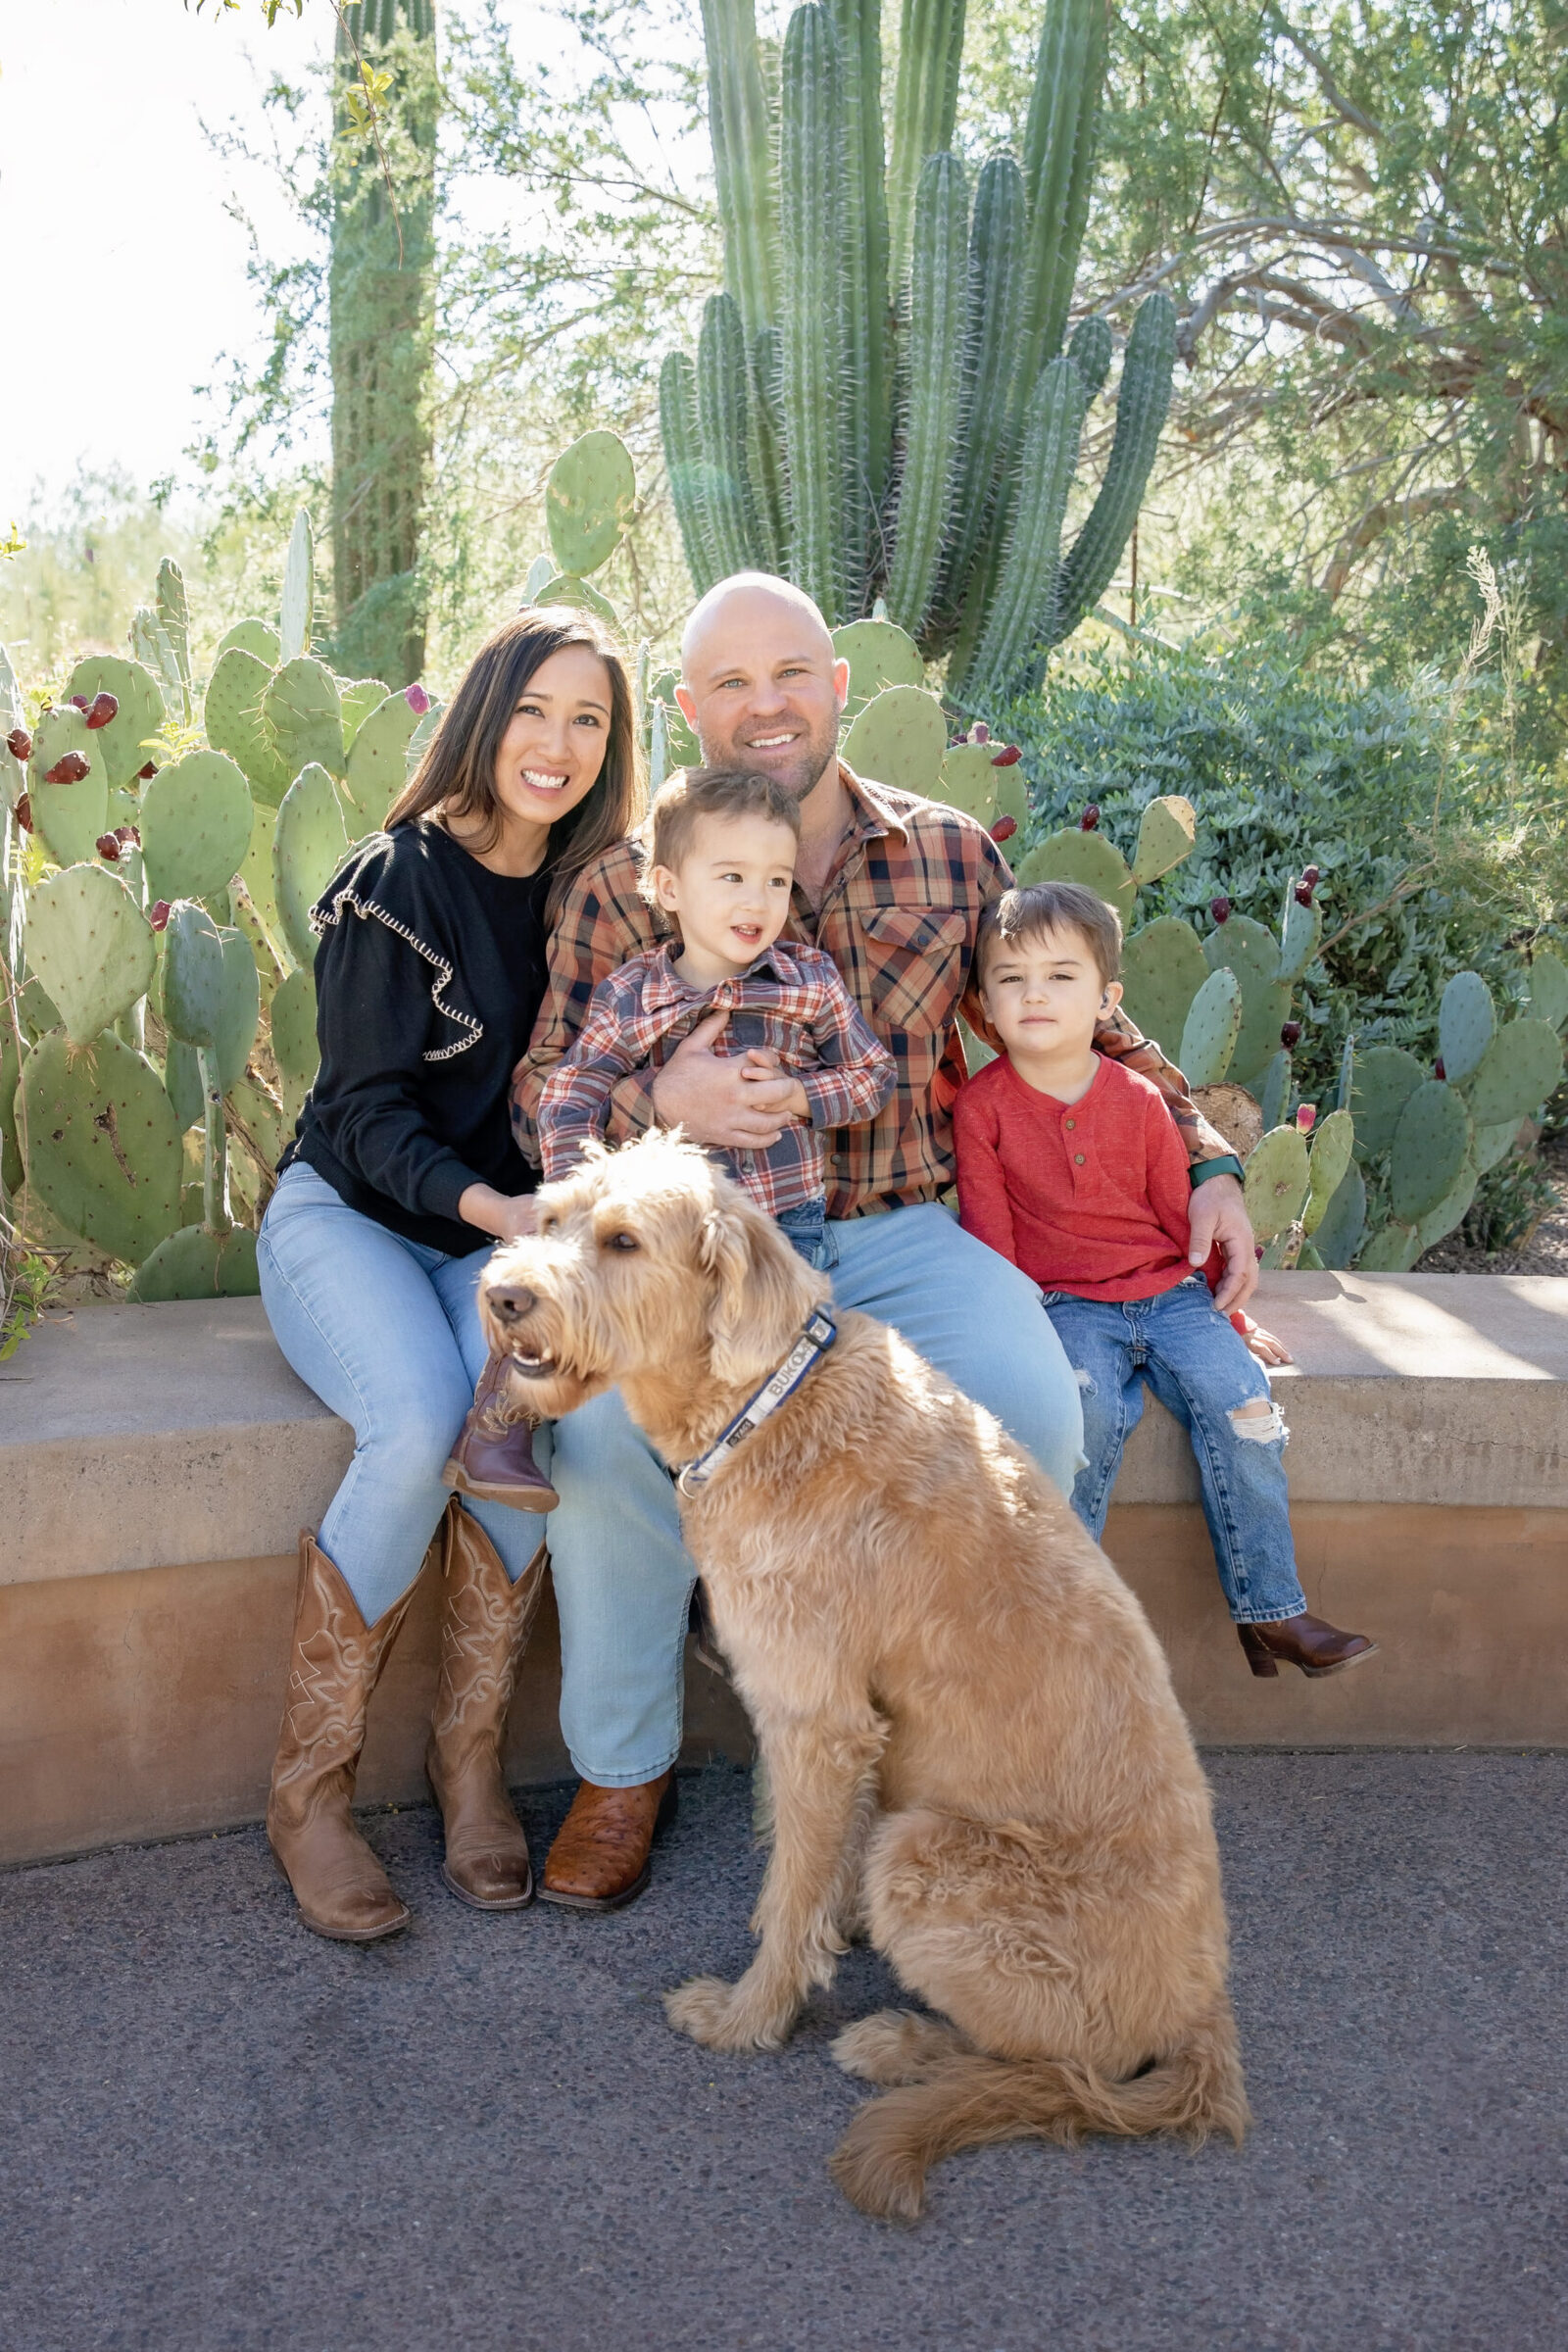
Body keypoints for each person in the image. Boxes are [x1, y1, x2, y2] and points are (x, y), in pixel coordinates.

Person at [504, 571, 1264, 1912]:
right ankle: (624, 1770)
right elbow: (541, 1088)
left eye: (789, 673)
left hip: (899, 1231)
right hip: (697, 1264)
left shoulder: (950, 855)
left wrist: (1205, 1155)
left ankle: (936, 1759)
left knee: (1030, 1404)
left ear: (838, 686)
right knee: (609, 1444)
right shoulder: (628, 883)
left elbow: (1071, 1009)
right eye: (731, 684)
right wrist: (654, 1102)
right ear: (691, 709)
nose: (766, 705)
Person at [255, 607, 643, 1944]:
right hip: (349, 1217)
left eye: (587, 719)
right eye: (533, 710)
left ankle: (467, 1761)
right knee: (422, 1423)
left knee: (535, 1411)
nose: (557, 744)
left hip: (497, 1234)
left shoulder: (602, 894)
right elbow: (362, 1116)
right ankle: (309, 1792)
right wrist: (503, 1211)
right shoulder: (395, 878)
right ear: (484, 716)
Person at [954, 879, 1378, 1677]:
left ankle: (1271, 1613)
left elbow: (1183, 1218)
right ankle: (1056, 1620)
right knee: (1078, 1418)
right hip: (1063, 1305)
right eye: (1011, 979)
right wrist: (1016, 1334)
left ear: (1107, 997)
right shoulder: (983, 1110)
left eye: (1061, 977)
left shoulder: (1141, 1099)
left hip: (1171, 1295)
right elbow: (992, 1240)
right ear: (983, 1000)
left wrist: (1231, 1318)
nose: (1035, 995)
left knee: (1245, 1403)